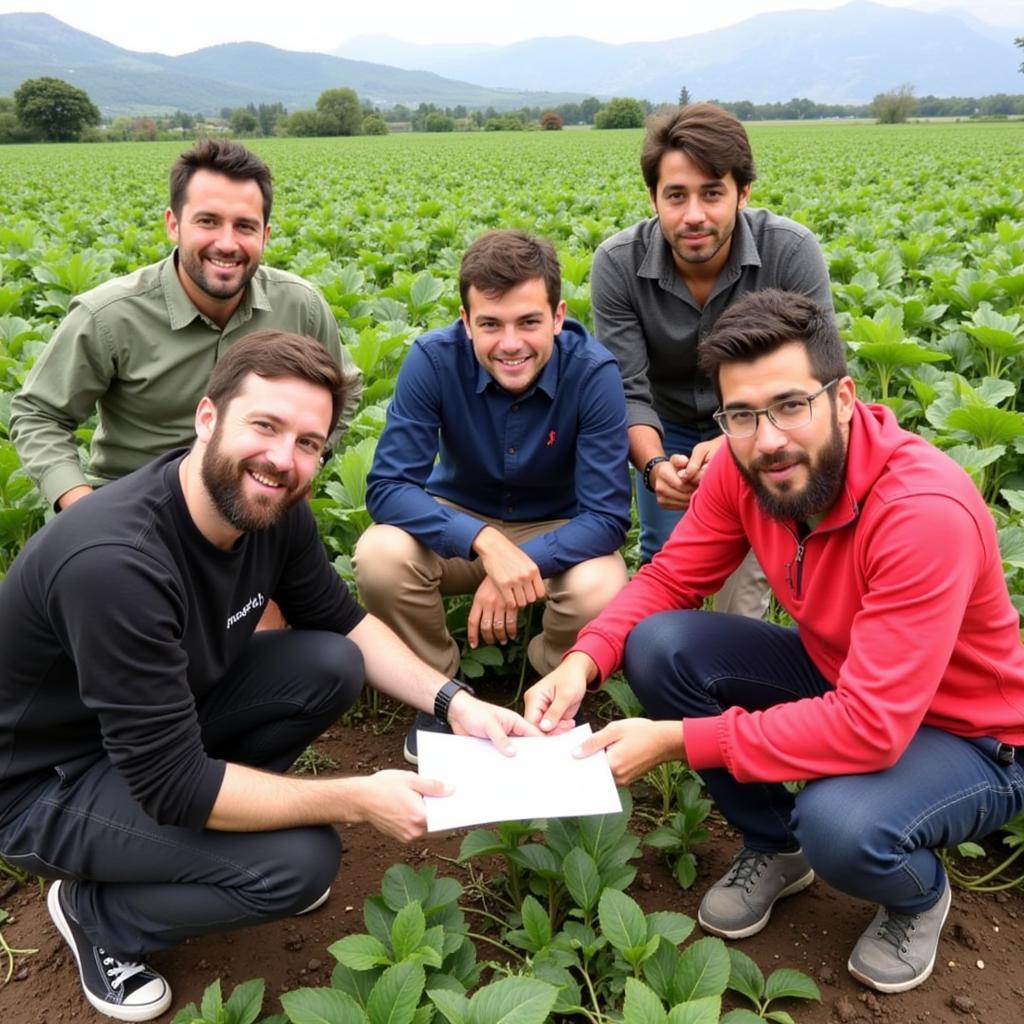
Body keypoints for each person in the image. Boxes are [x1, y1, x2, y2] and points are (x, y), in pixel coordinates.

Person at [0, 331, 536, 1023]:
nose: (284, 459)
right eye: (265, 426)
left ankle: (196, 847)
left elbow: (343, 622)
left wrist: (455, 701)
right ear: (206, 418)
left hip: (146, 735)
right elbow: (172, 784)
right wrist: (354, 798)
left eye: (309, 442)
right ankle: (99, 912)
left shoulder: (268, 510)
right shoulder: (117, 565)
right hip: (43, 784)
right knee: (298, 862)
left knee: (327, 664)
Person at [525, 290, 1024, 995]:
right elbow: (669, 576)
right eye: (741, 415)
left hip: (970, 736)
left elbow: (873, 728)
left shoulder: (921, 514)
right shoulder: (743, 468)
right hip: (843, 674)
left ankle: (917, 894)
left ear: (844, 398)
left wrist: (678, 740)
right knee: (658, 643)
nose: (768, 439)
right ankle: (775, 846)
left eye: (791, 405)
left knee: (841, 823)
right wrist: (584, 659)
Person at [353, 230, 631, 764]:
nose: (510, 343)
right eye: (490, 324)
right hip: (457, 524)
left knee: (603, 583)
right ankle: (438, 691)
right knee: (381, 556)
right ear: (465, 321)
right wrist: (484, 543)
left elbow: (606, 516)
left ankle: (551, 681)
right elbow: (388, 487)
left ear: (557, 315)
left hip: (557, 528)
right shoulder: (432, 360)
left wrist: (521, 562)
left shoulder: (593, 373)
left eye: (529, 321)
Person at [10, 138, 360, 512]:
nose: (227, 243)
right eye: (208, 221)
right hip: (141, 507)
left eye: (245, 226)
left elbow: (346, 388)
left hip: (259, 500)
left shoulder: (300, 305)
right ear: (173, 224)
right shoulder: (109, 315)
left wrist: (308, 460)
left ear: (265, 235)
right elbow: (39, 415)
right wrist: (81, 507)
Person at [590, 103, 833, 615]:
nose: (694, 214)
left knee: (744, 572)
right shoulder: (618, 264)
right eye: (676, 195)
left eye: (713, 193)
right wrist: (655, 465)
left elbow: (821, 380)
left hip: (765, 422)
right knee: (667, 558)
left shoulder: (789, 251)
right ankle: (663, 668)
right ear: (654, 198)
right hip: (665, 424)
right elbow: (625, 390)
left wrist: (736, 440)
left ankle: (737, 676)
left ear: (743, 193)